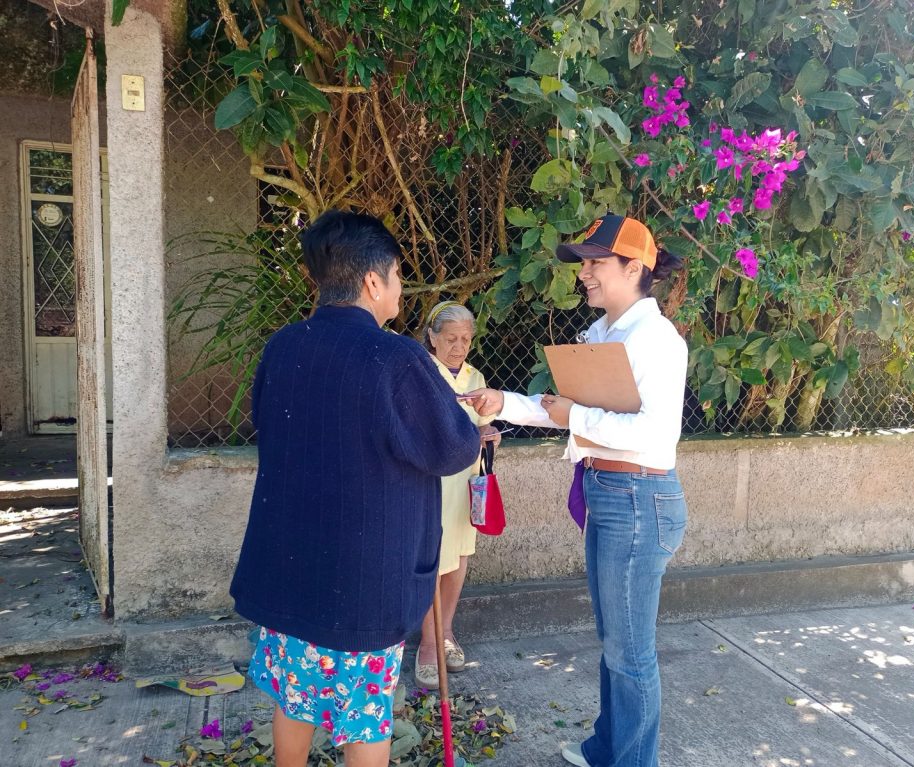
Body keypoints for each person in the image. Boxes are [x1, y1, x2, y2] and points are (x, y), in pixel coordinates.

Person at [230, 210, 481, 767]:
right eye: (396, 274)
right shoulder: (396, 358)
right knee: (365, 715)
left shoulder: (282, 347)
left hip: (290, 568)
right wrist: (462, 416)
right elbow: (453, 449)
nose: (399, 287)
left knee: (295, 697)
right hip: (365, 580)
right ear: (373, 281)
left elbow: (270, 426)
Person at [467, 214, 688, 767]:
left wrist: (578, 416)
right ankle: (608, 749)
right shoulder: (605, 333)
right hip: (611, 493)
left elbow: (654, 433)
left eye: (595, 261)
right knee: (615, 642)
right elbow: (562, 411)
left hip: (638, 499)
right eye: (583, 262)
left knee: (630, 652)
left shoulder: (656, 339)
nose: (584, 272)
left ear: (633, 268)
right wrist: (503, 403)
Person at [413, 301, 502, 689]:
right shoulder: (420, 373)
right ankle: (428, 645)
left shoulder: (473, 375)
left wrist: (490, 434)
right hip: (433, 483)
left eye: (466, 339)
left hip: (466, 482)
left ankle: (446, 631)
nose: (459, 347)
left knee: (460, 556)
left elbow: (485, 423)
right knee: (433, 560)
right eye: (451, 338)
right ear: (432, 338)